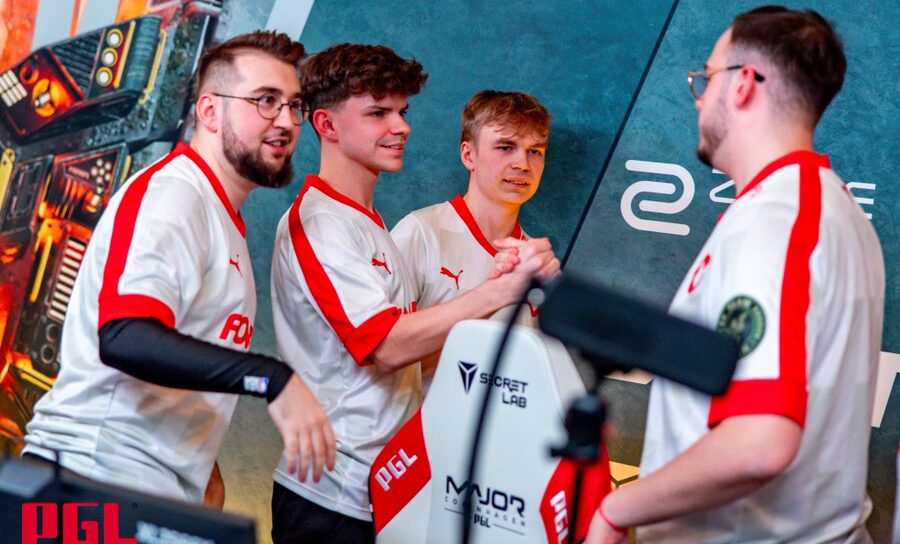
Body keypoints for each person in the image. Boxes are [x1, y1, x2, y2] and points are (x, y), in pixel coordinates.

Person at [584, 6, 885, 543]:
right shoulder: (819, 208)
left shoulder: (775, 221)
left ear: (743, 84)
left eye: (706, 79)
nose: (699, 99)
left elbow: (759, 443)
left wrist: (616, 509)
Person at [23, 30, 336, 505]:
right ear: (209, 111)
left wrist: (203, 472)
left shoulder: (218, 217)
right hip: (89, 480)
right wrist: (271, 378)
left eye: (294, 105)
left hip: (145, 490)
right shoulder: (175, 194)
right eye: (266, 101)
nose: (287, 121)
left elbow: (179, 365)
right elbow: (125, 335)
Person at [269, 43, 559, 543]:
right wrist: (499, 291)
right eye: (378, 113)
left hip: (390, 488)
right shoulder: (319, 223)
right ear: (326, 125)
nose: (400, 127)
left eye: (402, 112)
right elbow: (385, 346)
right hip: (333, 497)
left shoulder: (367, 223)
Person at [392, 90, 550, 392]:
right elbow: (382, 356)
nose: (523, 164)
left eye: (535, 151)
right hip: (422, 419)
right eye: (506, 147)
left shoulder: (536, 261)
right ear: (468, 155)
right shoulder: (421, 232)